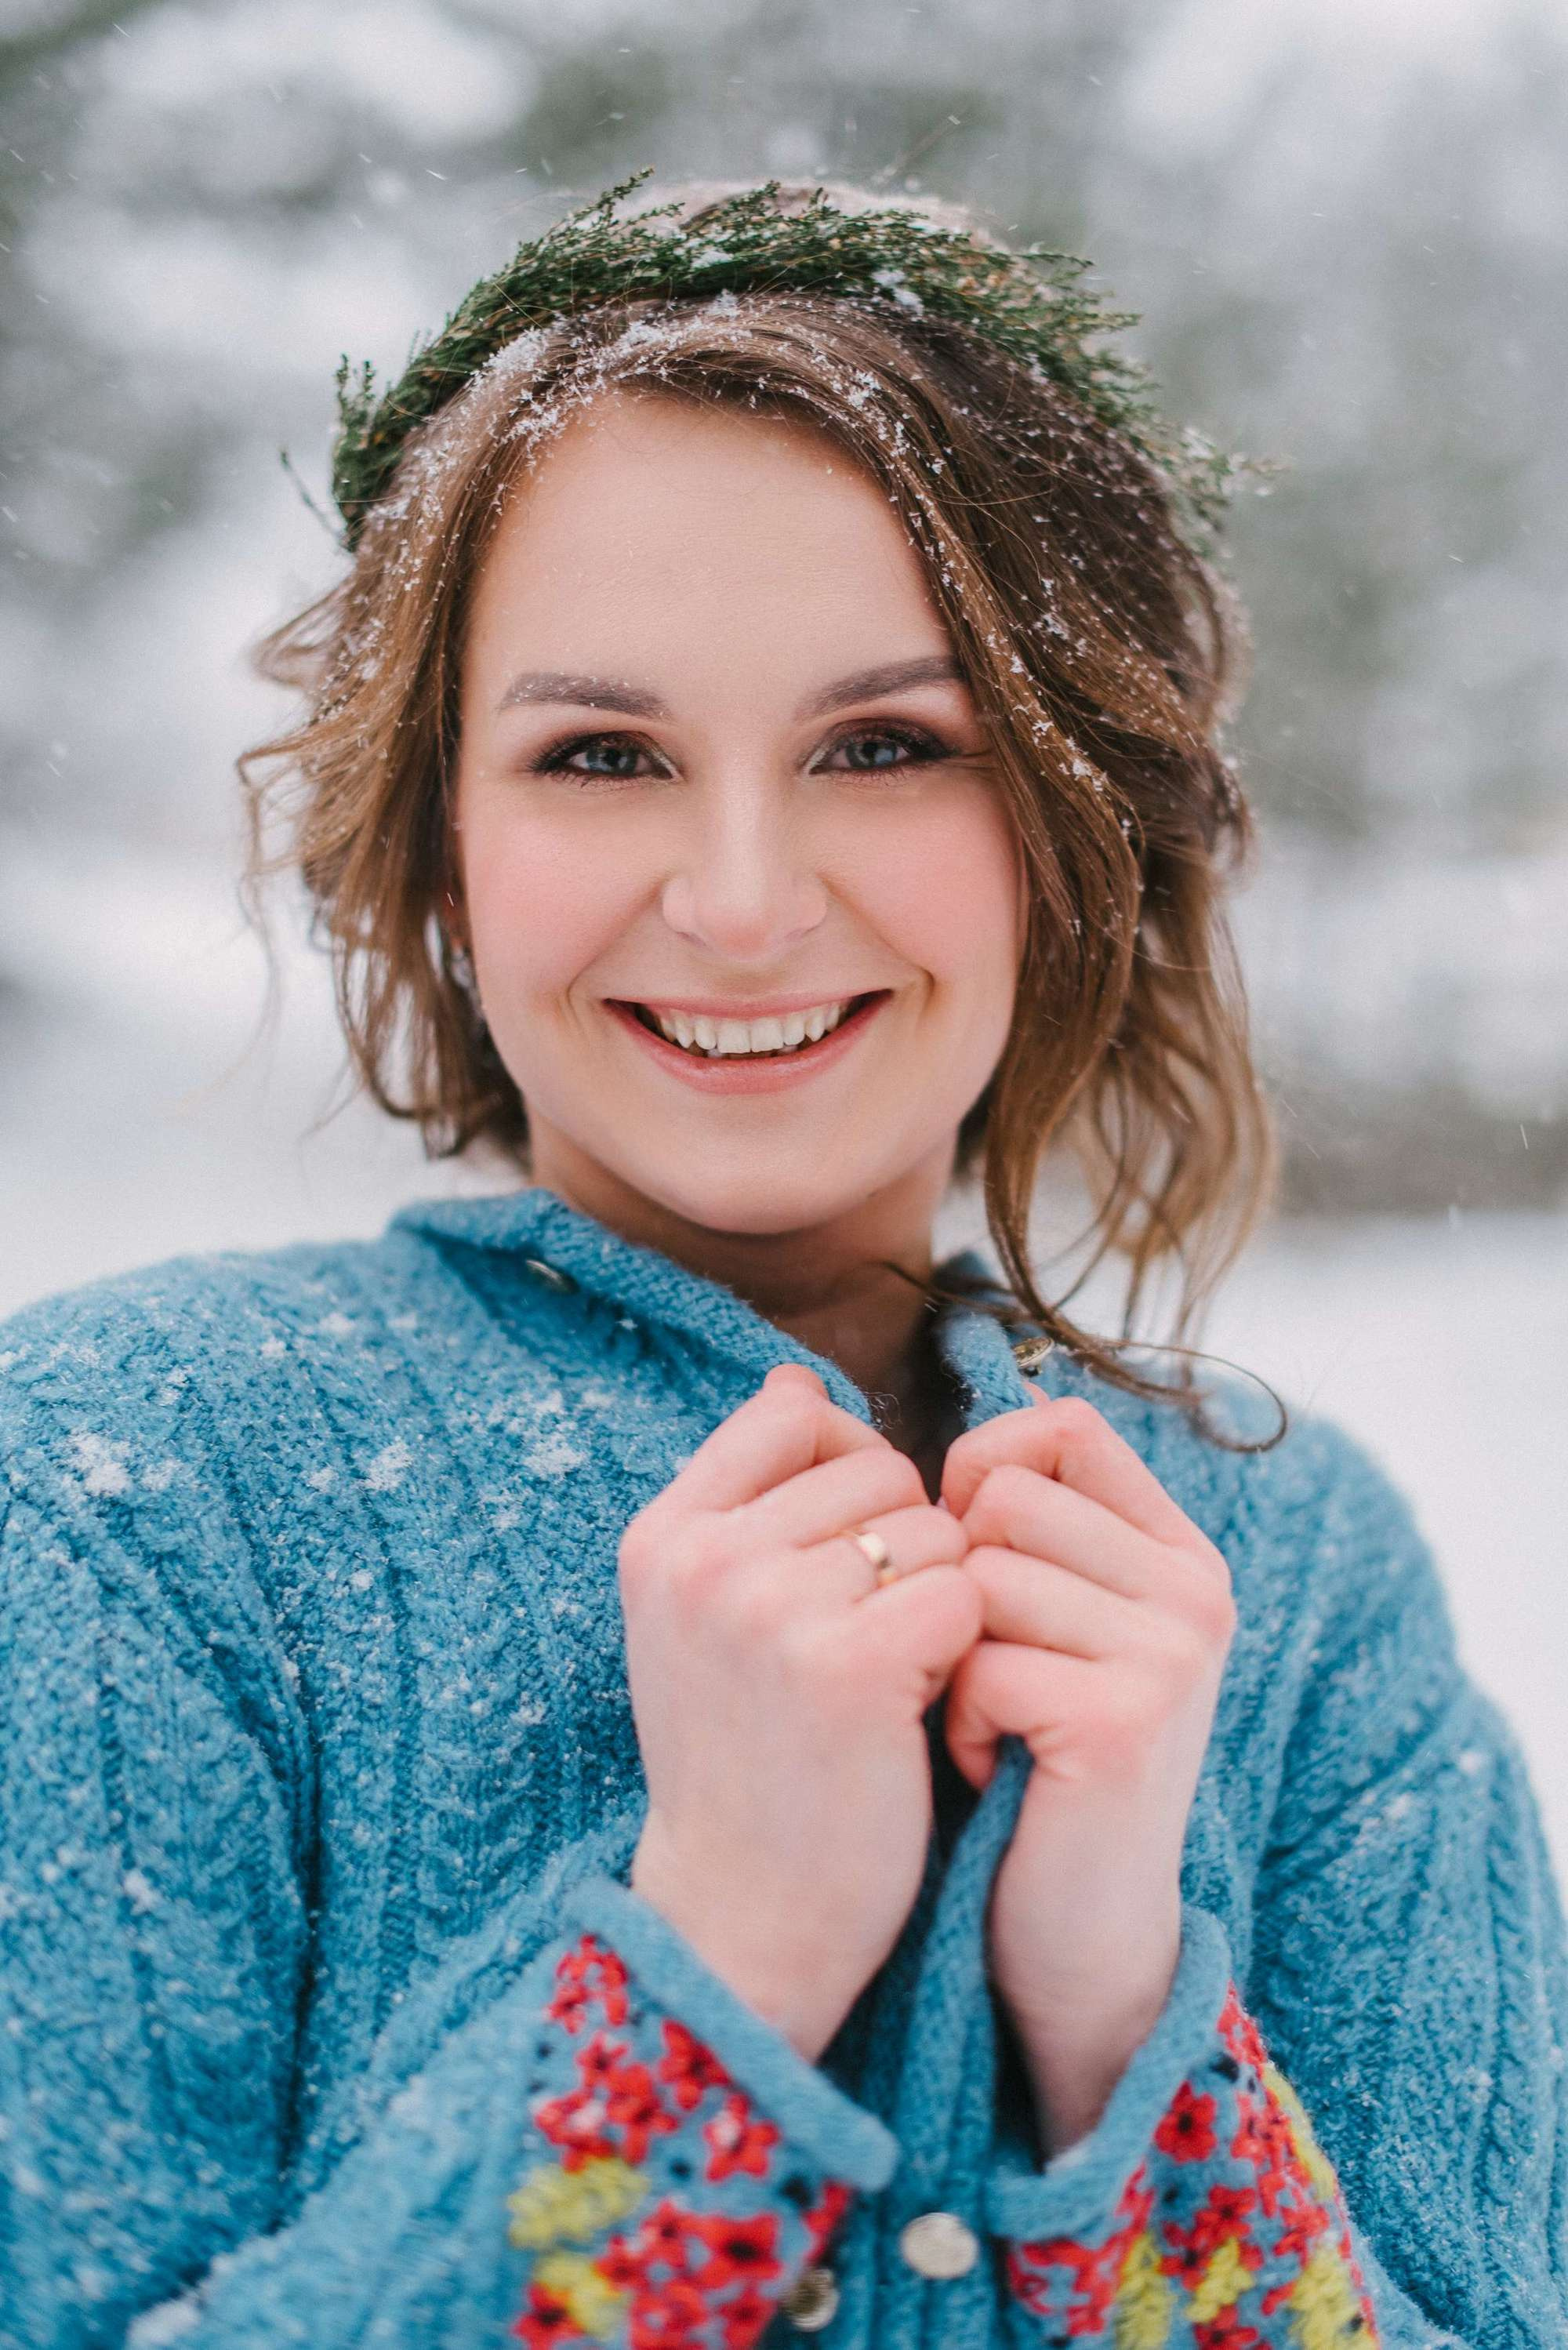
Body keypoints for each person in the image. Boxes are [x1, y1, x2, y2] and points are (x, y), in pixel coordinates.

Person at [0, 173, 1562, 2350]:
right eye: (601, 754)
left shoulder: (1300, 1581)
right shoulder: (121, 1492)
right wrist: (718, 1972)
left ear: (1071, 825)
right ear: (442, 845)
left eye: (884, 745)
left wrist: (1121, 2022)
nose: (741, 902)